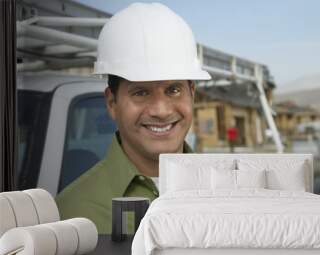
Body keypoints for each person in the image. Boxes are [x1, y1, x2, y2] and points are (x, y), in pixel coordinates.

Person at [56, 3, 211, 234]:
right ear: (112, 103)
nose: (161, 110)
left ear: (192, 94)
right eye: (140, 92)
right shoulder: (70, 215)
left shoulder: (227, 192)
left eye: (174, 90)